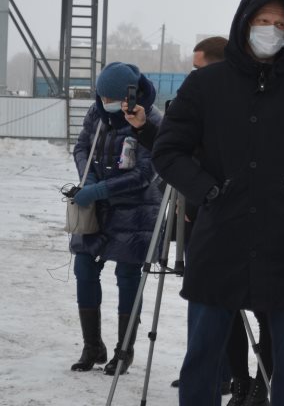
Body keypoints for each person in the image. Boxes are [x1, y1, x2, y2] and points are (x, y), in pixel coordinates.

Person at [152, 0, 284, 406]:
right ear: (244, 23)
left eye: (280, 24)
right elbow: (168, 150)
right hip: (219, 241)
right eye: (263, 21)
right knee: (203, 361)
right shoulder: (205, 85)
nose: (271, 30)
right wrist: (207, 190)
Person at [123, 35, 239, 396]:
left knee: (224, 300)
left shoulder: (234, 106)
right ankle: (206, 371)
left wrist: (196, 200)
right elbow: (177, 153)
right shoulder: (197, 101)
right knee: (203, 297)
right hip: (195, 214)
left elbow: (209, 163)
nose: (192, 76)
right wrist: (144, 128)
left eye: (198, 67)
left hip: (223, 217)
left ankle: (232, 377)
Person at [69, 62, 162, 375]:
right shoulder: (96, 113)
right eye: (102, 95)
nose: (105, 102)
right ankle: (91, 345)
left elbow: (146, 173)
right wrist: (89, 177)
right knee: (83, 266)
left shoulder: (150, 120)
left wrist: (100, 190)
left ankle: (124, 349)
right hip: (96, 211)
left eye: (111, 97)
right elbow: (82, 147)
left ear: (129, 95)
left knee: (127, 277)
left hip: (135, 212)